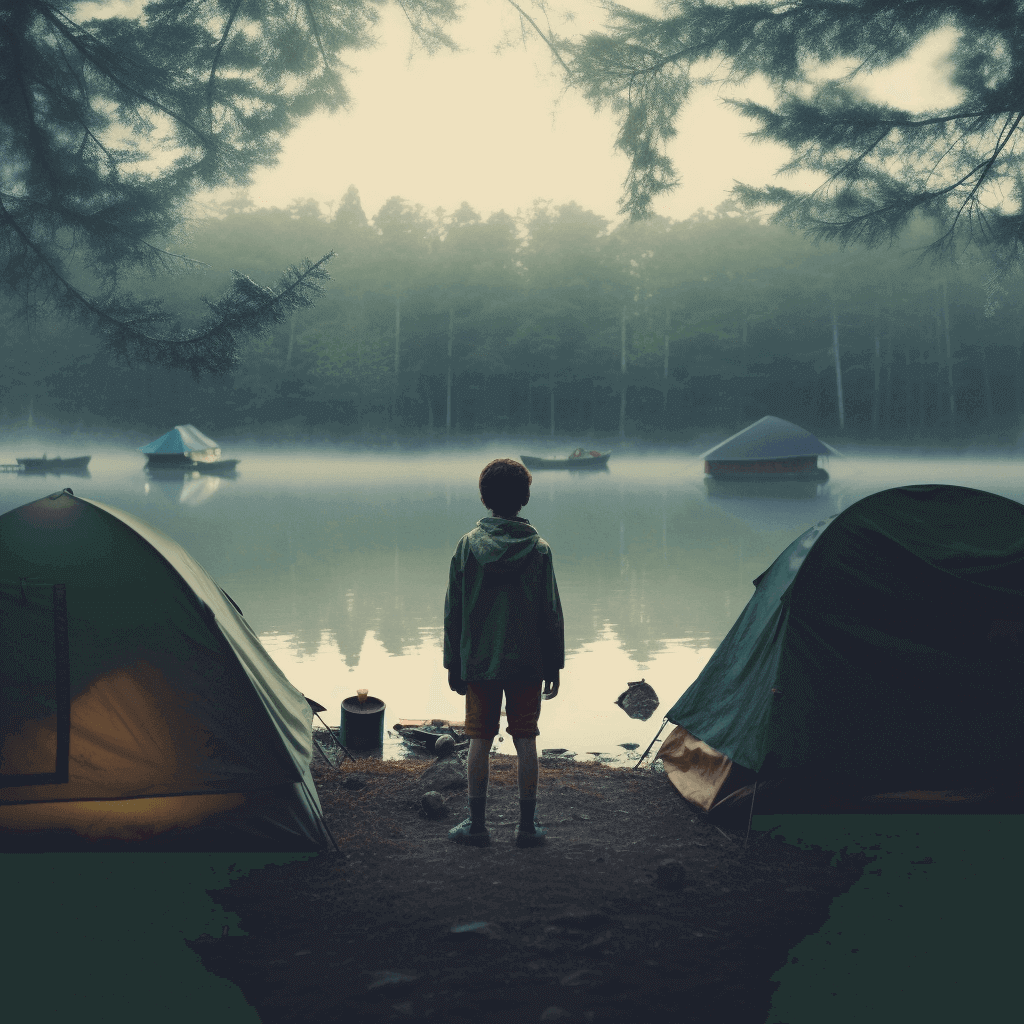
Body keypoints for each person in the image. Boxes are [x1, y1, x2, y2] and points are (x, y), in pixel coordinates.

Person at [443, 457, 564, 847]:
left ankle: (476, 826)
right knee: (525, 737)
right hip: (528, 663)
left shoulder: (466, 547)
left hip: (479, 662)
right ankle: (526, 828)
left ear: (485, 498)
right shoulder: (540, 550)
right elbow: (551, 613)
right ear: (525, 497)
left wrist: (453, 662)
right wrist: (554, 664)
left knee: (478, 738)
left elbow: (453, 612)